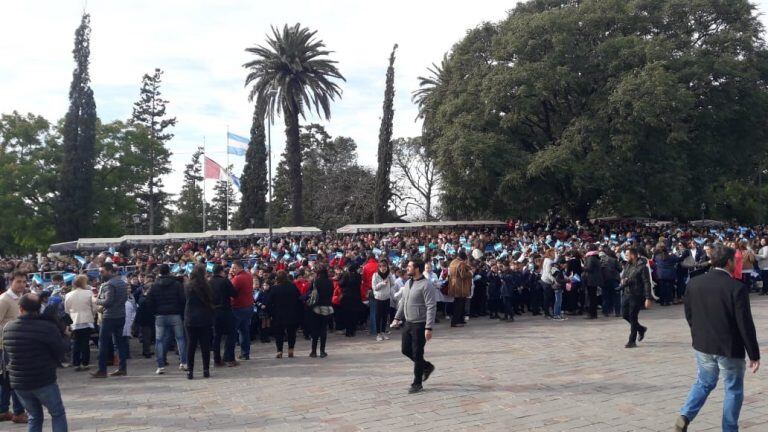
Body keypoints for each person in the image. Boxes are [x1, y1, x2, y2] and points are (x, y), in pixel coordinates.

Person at [674, 245, 760, 432]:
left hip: (703, 344)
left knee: (704, 382)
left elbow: (689, 315)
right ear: (729, 262)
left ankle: (685, 415)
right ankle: (729, 429)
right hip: (729, 347)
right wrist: (754, 353)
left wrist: (697, 333)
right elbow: (744, 323)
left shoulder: (694, 283)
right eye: (735, 261)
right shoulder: (736, 287)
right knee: (733, 389)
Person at [3, 294, 68, 432]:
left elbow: (7, 356)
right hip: (44, 380)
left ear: (20, 308)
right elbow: (61, 351)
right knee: (57, 414)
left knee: (34, 416)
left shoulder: (8, 328)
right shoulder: (47, 327)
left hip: (19, 383)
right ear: (39, 308)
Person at [391, 258, 436, 394]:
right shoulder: (409, 282)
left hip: (420, 324)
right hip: (408, 323)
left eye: (409, 266)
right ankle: (426, 366)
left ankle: (417, 383)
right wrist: (397, 317)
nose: (407, 268)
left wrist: (429, 327)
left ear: (417, 268)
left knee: (417, 353)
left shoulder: (426, 285)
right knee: (405, 349)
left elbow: (431, 307)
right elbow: (403, 301)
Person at [146, 264, 187, 375]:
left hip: (160, 316)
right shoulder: (177, 284)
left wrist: (155, 311)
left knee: (159, 341)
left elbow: (149, 301)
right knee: (180, 339)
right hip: (175, 314)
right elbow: (183, 299)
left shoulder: (154, 285)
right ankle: (184, 363)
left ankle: (160, 366)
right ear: (169, 272)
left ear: (159, 272)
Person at [91, 263, 129, 378]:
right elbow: (125, 298)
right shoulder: (122, 283)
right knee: (120, 343)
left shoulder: (109, 284)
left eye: (102, 271)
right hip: (121, 315)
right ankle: (122, 368)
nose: (100, 274)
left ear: (110, 271)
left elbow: (108, 302)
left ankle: (102, 370)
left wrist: (96, 300)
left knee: (103, 344)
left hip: (109, 317)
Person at [0, 271, 27, 423]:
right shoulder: (4, 299)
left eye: (24, 281)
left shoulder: (20, 298)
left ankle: (3, 410)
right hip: (6, 345)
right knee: (15, 378)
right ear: (11, 282)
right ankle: (18, 412)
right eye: (18, 281)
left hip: (16, 343)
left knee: (7, 380)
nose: (22, 284)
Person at [184, 265, 215, 380]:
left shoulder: (187, 286)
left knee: (191, 345)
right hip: (204, 317)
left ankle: (190, 371)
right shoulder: (207, 285)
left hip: (190, 317)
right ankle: (206, 370)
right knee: (205, 345)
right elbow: (212, 299)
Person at [619, 247, 653, 349]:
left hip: (636, 295)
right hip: (626, 293)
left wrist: (648, 297)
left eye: (627, 255)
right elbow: (623, 276)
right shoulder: (627, 265)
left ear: (633, 255)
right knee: (625, 315)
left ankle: (632, 340)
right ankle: (641, 329)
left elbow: (647, 283)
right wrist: (623, 281)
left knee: (633, 316)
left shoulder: (642, 267)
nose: (626, 257)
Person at [64, 275, 96, 371]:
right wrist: (92, 314)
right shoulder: (88, 293)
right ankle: (85, 363)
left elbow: (66, 310)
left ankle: (76, 363)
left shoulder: (68, 295)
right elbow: (94, 307)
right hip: (86, 320)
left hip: (74, 321)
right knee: (85, 342)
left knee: (76, 342)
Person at [210, 264, 237, 367]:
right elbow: (234, 293)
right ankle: (229, 359)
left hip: (214, 311)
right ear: (221, 271)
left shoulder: (209, 282)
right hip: (225, 310)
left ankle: (217, 360)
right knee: (231, 334)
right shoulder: (225, 281)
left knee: (217, 336)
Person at [270, 271, 301, 359]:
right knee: (291, 333)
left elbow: (269, 301)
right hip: (292, 313)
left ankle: (279, 351)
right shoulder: (293, 286)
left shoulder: (275, 288)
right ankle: (291, 350)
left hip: (278, 314)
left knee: (279, 333)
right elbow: (298, 298)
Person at [229, 261, 254, 361]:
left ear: (239, 268)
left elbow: (231, 292)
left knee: (233, 331)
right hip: (248, 306)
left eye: (234, 268)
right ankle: (245, 353)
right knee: (244, 331)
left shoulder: (237, 279)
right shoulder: (249, 276)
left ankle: (230, 355)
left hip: (238, 307)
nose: (232, 270)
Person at [308, 265, 333, 358]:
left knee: (315, 329)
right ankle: (322, 351)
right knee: (323, 330)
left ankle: (313, 351)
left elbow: (310, 293)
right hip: (326, 307)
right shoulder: (330, 282)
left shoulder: (316, 282)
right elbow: (331, 293)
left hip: (316, 307)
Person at [446, 251, 472, 327]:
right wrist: (470, 273)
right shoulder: (461, 263)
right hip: (461, 286)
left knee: (460, 303)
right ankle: (454, 322)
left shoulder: (452, 262)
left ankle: (460, 319)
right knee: (459, 304)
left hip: (453, 285)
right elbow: (463, 275)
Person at [371, 259, 395, 341]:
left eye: (385, 266)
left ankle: (383, 332)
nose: (383, 268)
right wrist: (382, 283)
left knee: (385, 316)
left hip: (387, 298)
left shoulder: (389, 274)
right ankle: (378, 334)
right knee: (378, 316)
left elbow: (393, 284)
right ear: (379, 267)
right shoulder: (375, 275)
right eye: (381, 266)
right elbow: (374, 288)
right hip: (378, 298)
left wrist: (390, 276)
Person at [339, 264, 362, 337]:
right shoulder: (358, 276)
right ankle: (353, 331)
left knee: (347, 315)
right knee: (354, 315)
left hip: (347, 297)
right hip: (356, 297)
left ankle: (348, 331)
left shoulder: (346, 275)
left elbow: (340, 284)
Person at [582, 243, 603, 319]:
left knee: (591, 297)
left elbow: (589, 268)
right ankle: (594, 314)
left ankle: (591, 314)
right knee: (593, 297)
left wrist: (582, 267)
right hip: (595, 279)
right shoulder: (596, 257)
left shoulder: (590, 258)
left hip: (591, 279)